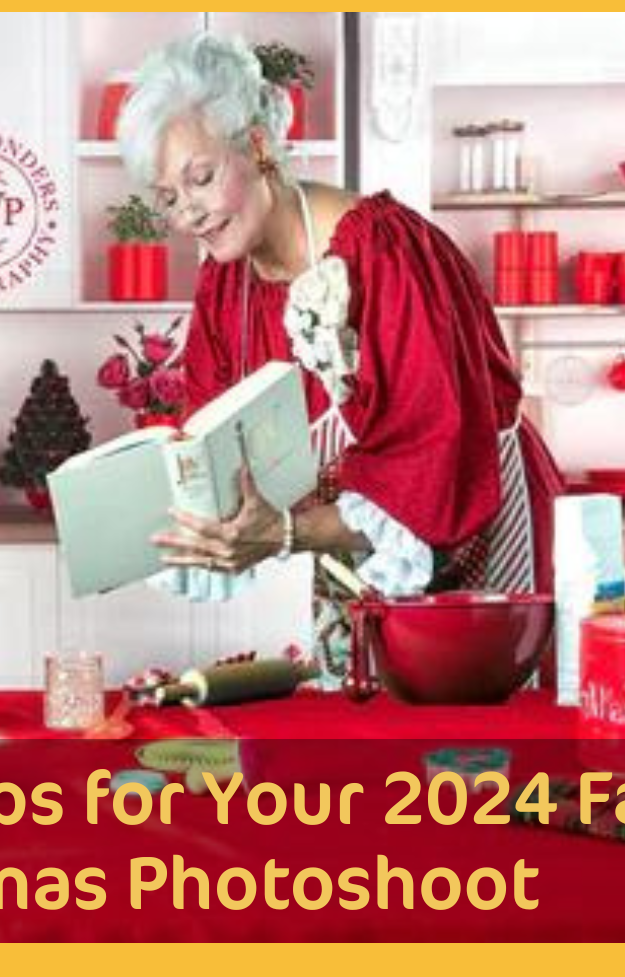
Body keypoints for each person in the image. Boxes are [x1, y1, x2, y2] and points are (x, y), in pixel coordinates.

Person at [116, 33, 563, 682]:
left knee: (474, 768)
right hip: (348, 558)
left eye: (201, 178)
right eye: (167, 196)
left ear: (259, 145)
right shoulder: (227, 280)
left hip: (481, 543)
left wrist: (287, 533)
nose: (188, 213)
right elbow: (214, 445)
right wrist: (205, 521)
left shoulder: (385, 253)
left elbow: (430, 477)